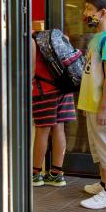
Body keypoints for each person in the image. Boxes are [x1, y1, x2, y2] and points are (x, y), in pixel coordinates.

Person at [78, 0, 106, 210]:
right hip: (92, 104)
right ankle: (105, 184)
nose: (85, 13)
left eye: (89, 9)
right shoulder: (98, 37)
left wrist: (104, 107)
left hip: (102, 106)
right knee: (98, 147)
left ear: (102, 12)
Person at [31, 33, 76, 187]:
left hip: (43, 90)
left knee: (42, 131)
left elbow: (30, 73)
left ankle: (35, 174)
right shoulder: (58, 36)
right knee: (59, 129)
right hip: (64, 87)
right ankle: (56, 174)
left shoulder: (31, 41)